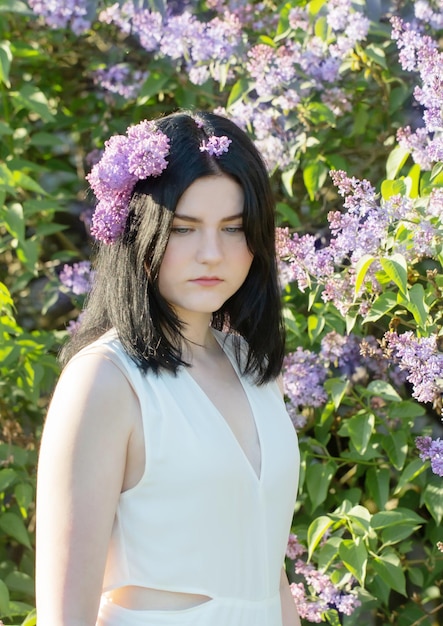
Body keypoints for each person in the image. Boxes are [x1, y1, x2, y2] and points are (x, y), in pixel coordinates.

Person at [35, 110, 301, 626]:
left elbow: (267, 571)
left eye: (233, 228)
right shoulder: (105, 381)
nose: (211, 254)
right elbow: (64, 615)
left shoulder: (250, 364)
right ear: (141, 232)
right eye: (183, 229)